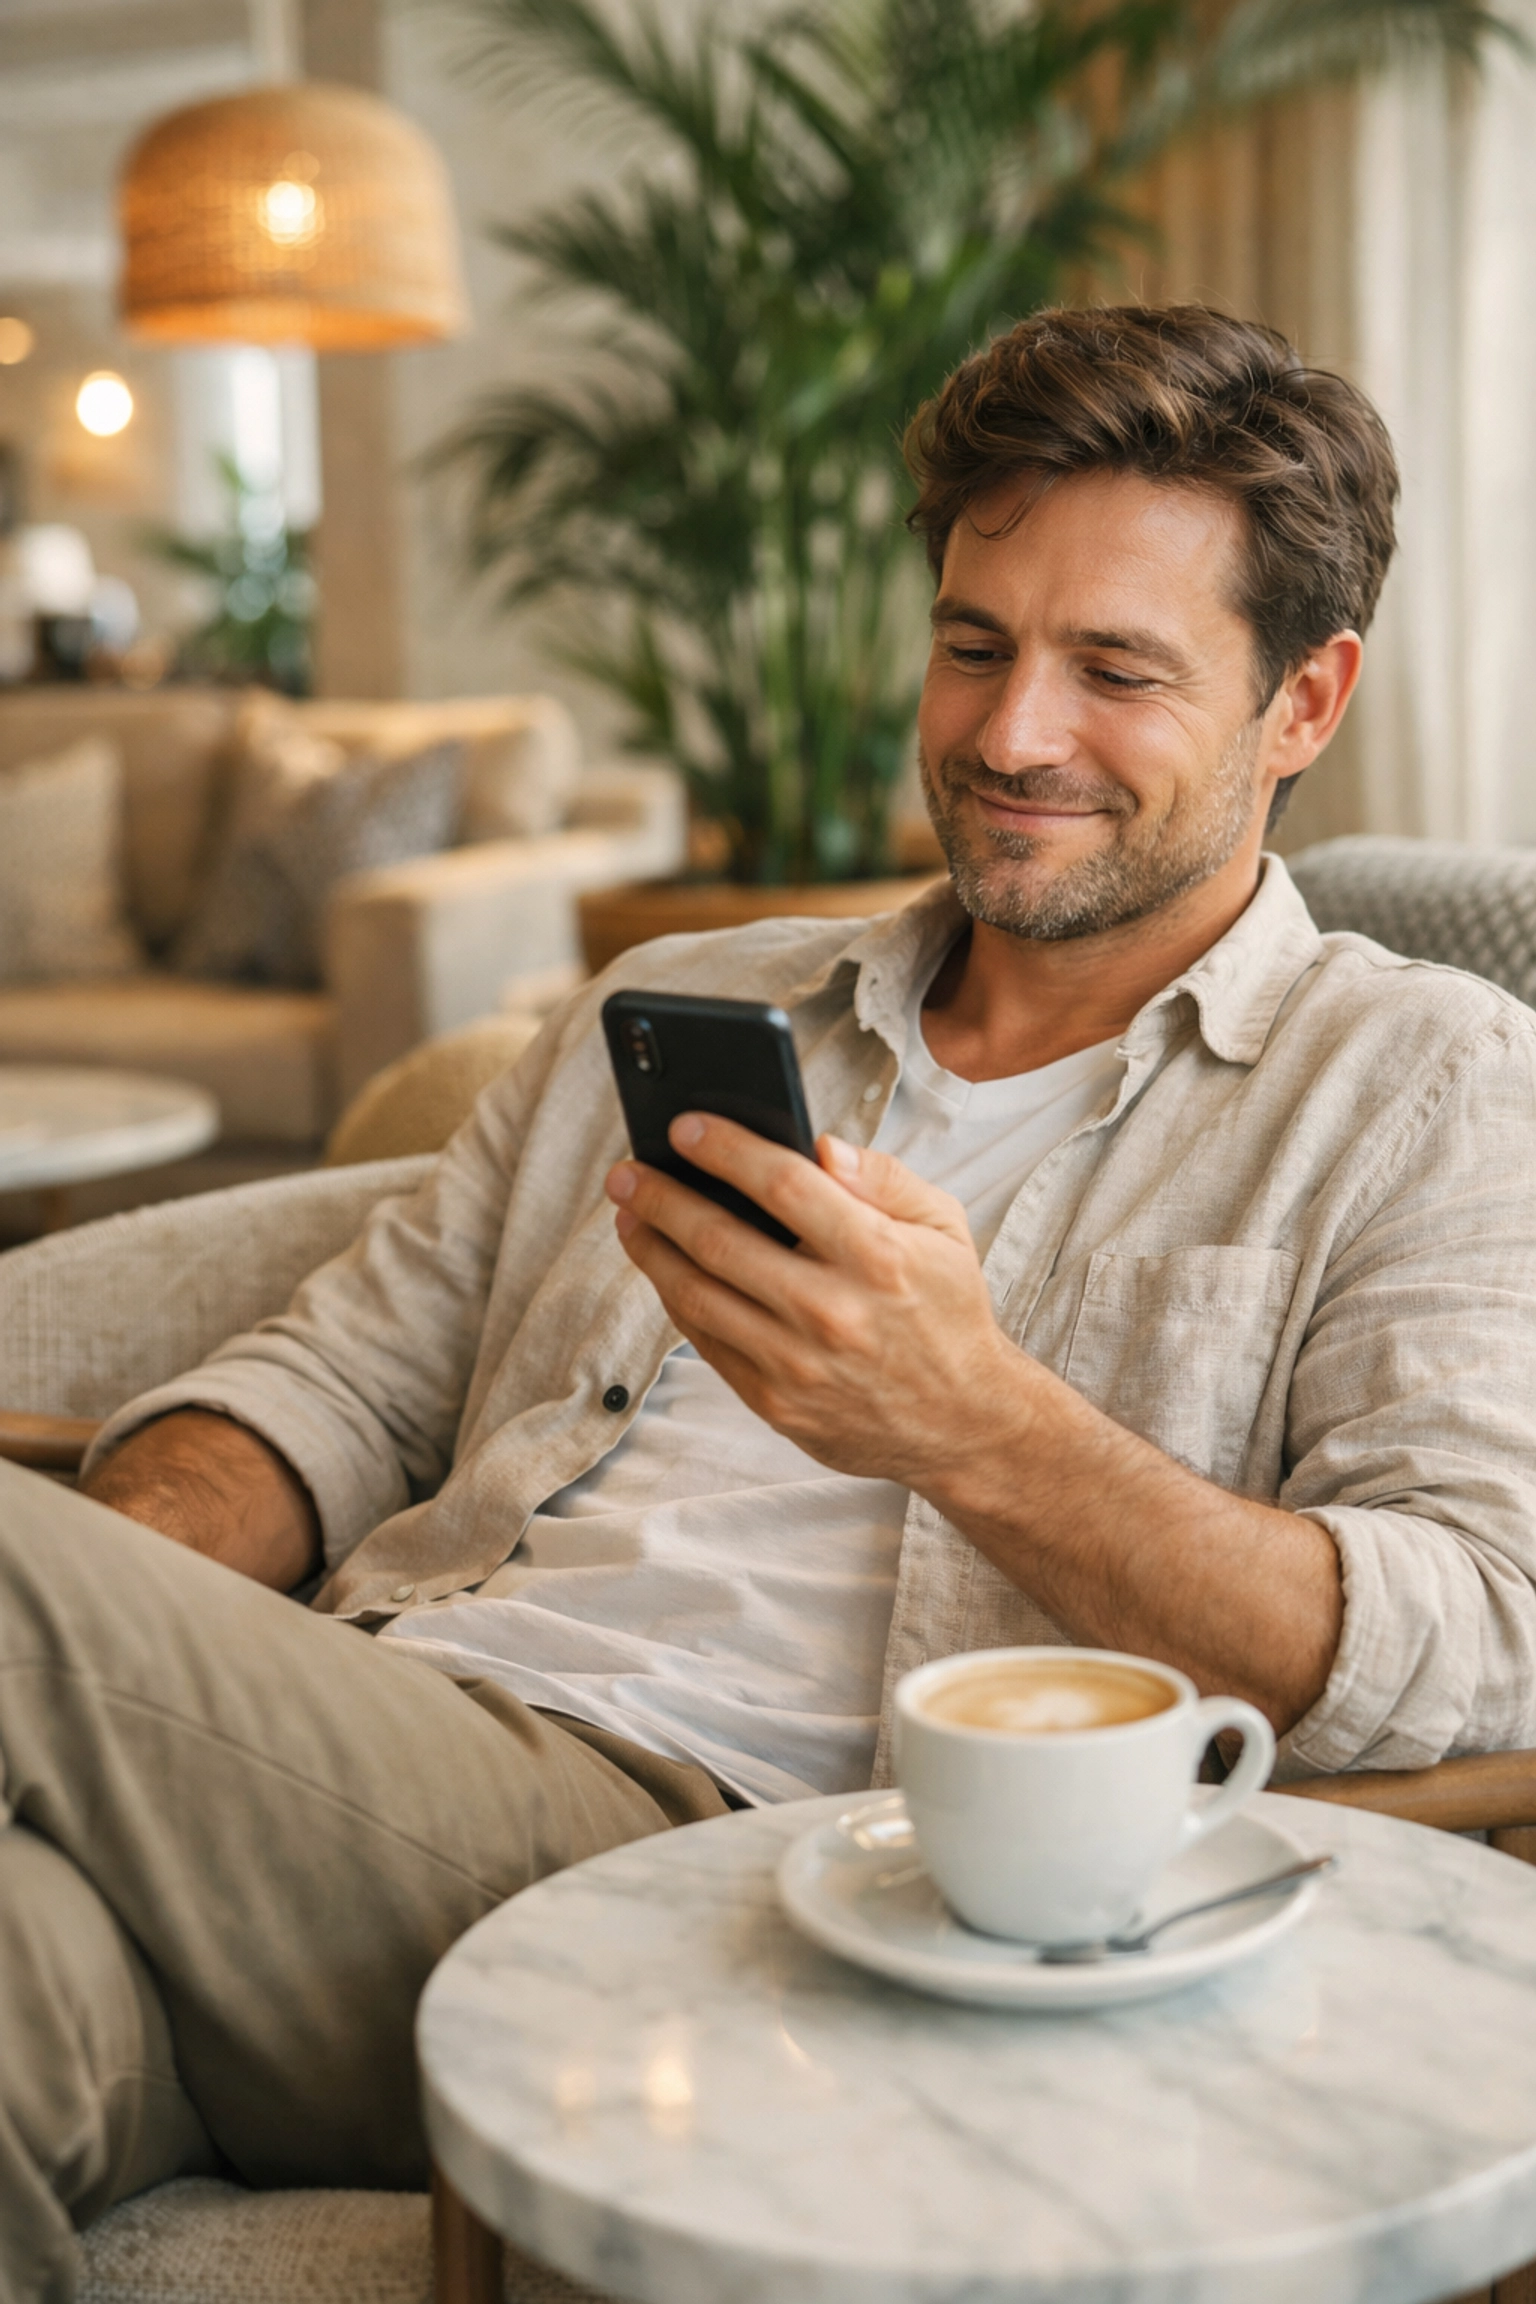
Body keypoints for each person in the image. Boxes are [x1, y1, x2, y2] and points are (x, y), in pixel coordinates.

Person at [7, 301, 1536, 2294]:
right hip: (340, 1794)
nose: (1010, 735)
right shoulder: (693, 1009)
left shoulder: (1431, 1084)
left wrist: (977, 1424)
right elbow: (329, 1387)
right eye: (975, 645)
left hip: (730, 1891)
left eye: (1116, 671)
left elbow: (1482, 1634)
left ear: (1304, 703)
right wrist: (134, 1661)